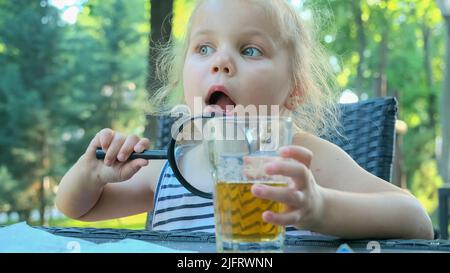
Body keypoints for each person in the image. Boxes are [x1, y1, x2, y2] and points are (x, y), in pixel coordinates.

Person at [56, 0, 433, 239]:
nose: (220, 61)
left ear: (295, 88)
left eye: (250, 49)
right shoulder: (170, 168)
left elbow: (416, 219)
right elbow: (77, 208)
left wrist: (319, 207)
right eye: (204, 48)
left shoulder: (300, 160)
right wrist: (92, 174)